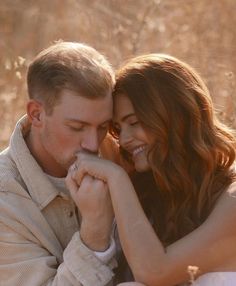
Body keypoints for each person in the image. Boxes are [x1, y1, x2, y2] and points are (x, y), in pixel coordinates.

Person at [66, 54, 236, 286]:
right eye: (118, 128)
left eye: (134, 122)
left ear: (175, 116)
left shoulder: (231, 197)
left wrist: (117, 178)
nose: (124, 140)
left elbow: (155, 272)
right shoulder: (149, 189)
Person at [0, 41, 121, 285]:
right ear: (36, 114)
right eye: (77, 127)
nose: (92, 144)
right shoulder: (5, 199)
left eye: (103, 127)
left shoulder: (120, 153)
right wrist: (95, 232)